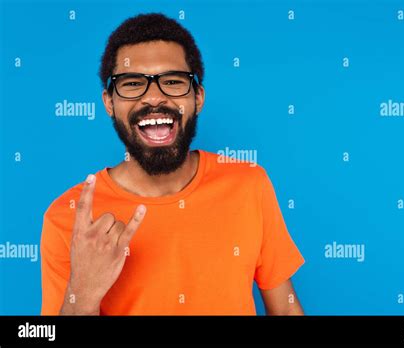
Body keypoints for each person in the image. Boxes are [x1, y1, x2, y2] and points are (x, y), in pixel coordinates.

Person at [41, 13, 305, 315]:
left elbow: (285, 310)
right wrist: (82, 291)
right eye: (131, 83)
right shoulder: (68, 218)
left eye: (172, 82)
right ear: (109, 103)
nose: (154, 97)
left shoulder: (249, 184)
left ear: (198, 98)